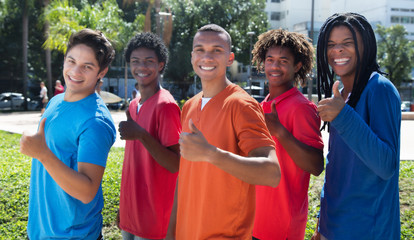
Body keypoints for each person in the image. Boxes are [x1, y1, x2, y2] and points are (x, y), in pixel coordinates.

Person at [168, 24, 281, 240]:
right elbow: (185, 177)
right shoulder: (189, 106)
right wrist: (171, 232)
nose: (207, 57)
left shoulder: (241, 105)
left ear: (230, 58)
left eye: (217, 50)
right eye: (200, 49)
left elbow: (272, 173)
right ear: (192, 56)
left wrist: (212, 153)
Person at [20, 28, 116, 240]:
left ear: (102, 72)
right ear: (64, 60)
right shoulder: (56, 101)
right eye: (71, 61)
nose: (75, 71)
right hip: (39, 231)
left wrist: (43, 154)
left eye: (87, 66)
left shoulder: (95, 122)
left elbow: (87, 191)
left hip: (73, 235)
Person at [312, 12, 401, 240]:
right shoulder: (341, 95)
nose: (337, 50)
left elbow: (386, 165)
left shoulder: (380, 89)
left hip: (368, 231)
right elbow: (336, 168)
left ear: (366, 46)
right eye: (331, 44)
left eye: (347, 43)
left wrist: (343, 116)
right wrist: (322, 224)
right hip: (333, 228)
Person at [251, 29, 324, 240]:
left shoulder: (301, 107)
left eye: (283, 61)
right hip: (254, 222)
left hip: (281, 227)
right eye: (270, 59)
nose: (275, 66)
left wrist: (281, 132)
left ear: (297, 66)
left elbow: (316, 165)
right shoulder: (260, 106)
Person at [117, 32, 181, 240]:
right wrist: (123, 206)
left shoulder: (166, 105)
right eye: (135, 61)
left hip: (154, 217)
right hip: (132, 212)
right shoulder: (134, 105)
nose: (141, 67)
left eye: (149, 61)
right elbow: (132, 164)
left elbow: (176, 164)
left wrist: (142, 135)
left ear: (160, 65)